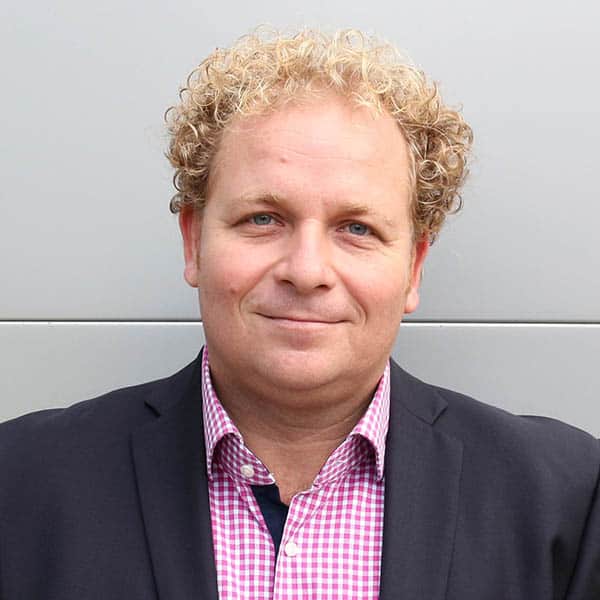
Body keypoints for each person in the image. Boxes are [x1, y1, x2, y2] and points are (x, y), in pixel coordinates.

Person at [0, 27, 598, 600]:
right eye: (263, 219)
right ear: (194, 243)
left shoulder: (567, 499)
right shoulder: (20, 481)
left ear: (414, 267)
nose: (307, 270)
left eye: (357, 228)